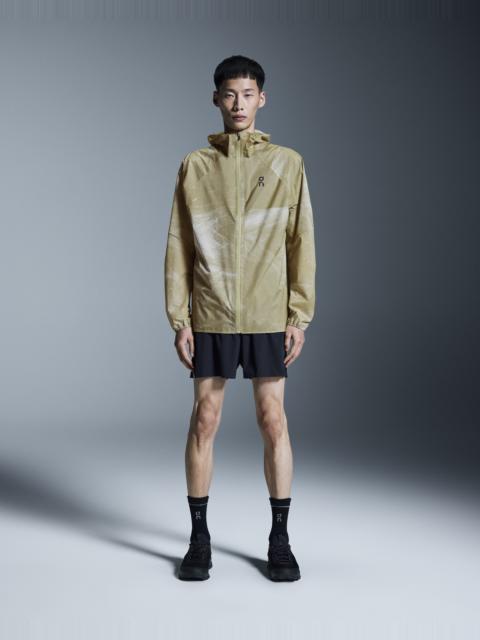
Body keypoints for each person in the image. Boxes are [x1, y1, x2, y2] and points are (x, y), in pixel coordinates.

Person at [164, 55, 316, 581]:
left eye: (248, 94)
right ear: (216, 99)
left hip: (268, 311)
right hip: (211, 310)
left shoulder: (288, 164)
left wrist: (299, 314)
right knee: (205, 418)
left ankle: (280, 539)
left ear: (262, 99)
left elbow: (301, 242)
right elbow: (179, 245)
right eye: (230, 94)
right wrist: (179, 318)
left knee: (273, 419)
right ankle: (198, 538)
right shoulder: (195, 166)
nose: (239, 104)